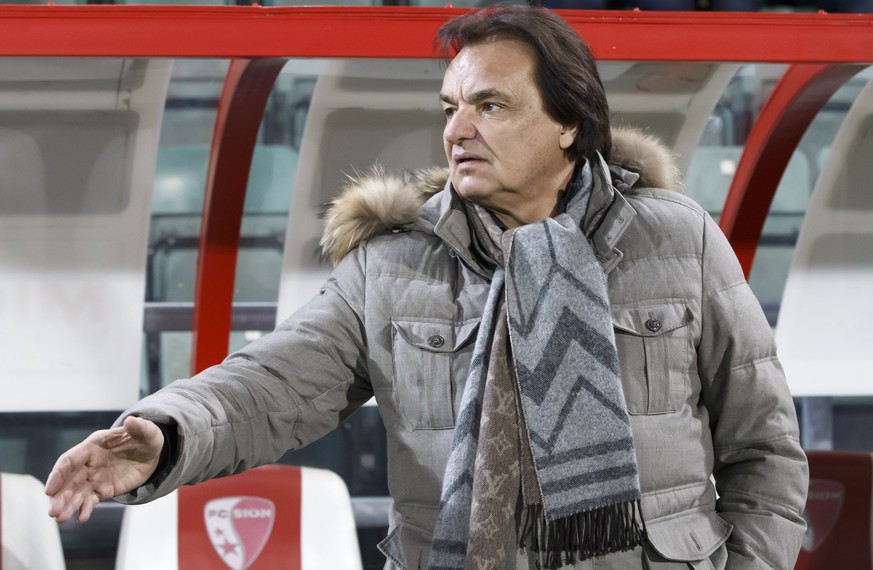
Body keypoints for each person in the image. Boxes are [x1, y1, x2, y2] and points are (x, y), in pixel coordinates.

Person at [45, 5, 808, 569]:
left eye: (490, 105)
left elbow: (764, 448)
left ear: (569, 123)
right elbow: (266, 385)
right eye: (450, 108)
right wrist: (164, 432)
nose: (457, 130)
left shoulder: (673, 239)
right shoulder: (395, 263)